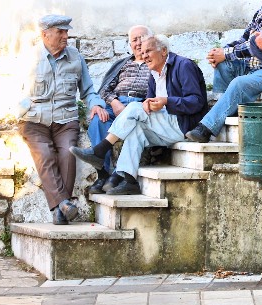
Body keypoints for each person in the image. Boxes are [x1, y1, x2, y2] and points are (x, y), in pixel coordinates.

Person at [70, 35, 207, 195]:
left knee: (134, 108)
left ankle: (100, 150)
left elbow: (196, 101)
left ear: (163, 51)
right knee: (136, 129)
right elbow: (150, 103)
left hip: (184, 125)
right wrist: (149, 105)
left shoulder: (183, 65)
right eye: (143, 52)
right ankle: (129, 180)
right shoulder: (154, 73)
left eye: (148, 51)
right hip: (167, 127)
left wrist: (166, 101)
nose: (144, 56)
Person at [17, 15, 106, 225]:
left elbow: (88, 90)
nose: (66, 36)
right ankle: (65, 205)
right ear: (45, 34)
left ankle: (60, 209)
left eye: (66, 32)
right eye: (61, 32)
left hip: (65, 120)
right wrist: (19, 109)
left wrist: (96, 104)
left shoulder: (76, 57)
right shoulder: (28, 58)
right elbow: (15, 90)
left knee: (68, 153)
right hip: (34, 121)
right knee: (45, 154)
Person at [184, 0, 262, 143]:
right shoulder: (260, 12)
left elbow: (255, 45)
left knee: (238, 83)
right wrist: (221, 52)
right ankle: (222, 112)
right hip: (250, 67)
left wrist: (226, 54)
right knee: (223, 65)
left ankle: (206, 127)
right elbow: (243, 40)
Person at [86, 25, 152, 194]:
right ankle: (102, 174)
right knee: (97, 120)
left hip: (140, 105)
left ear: (151, 40)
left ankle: (118, 175)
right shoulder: (122, 64)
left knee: (134, 126)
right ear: (130, 44)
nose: (138, 43)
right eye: (134, 40)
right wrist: (114, 102)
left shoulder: (154, 63)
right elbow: (105, 89)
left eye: (142, 38)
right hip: (116, 103)